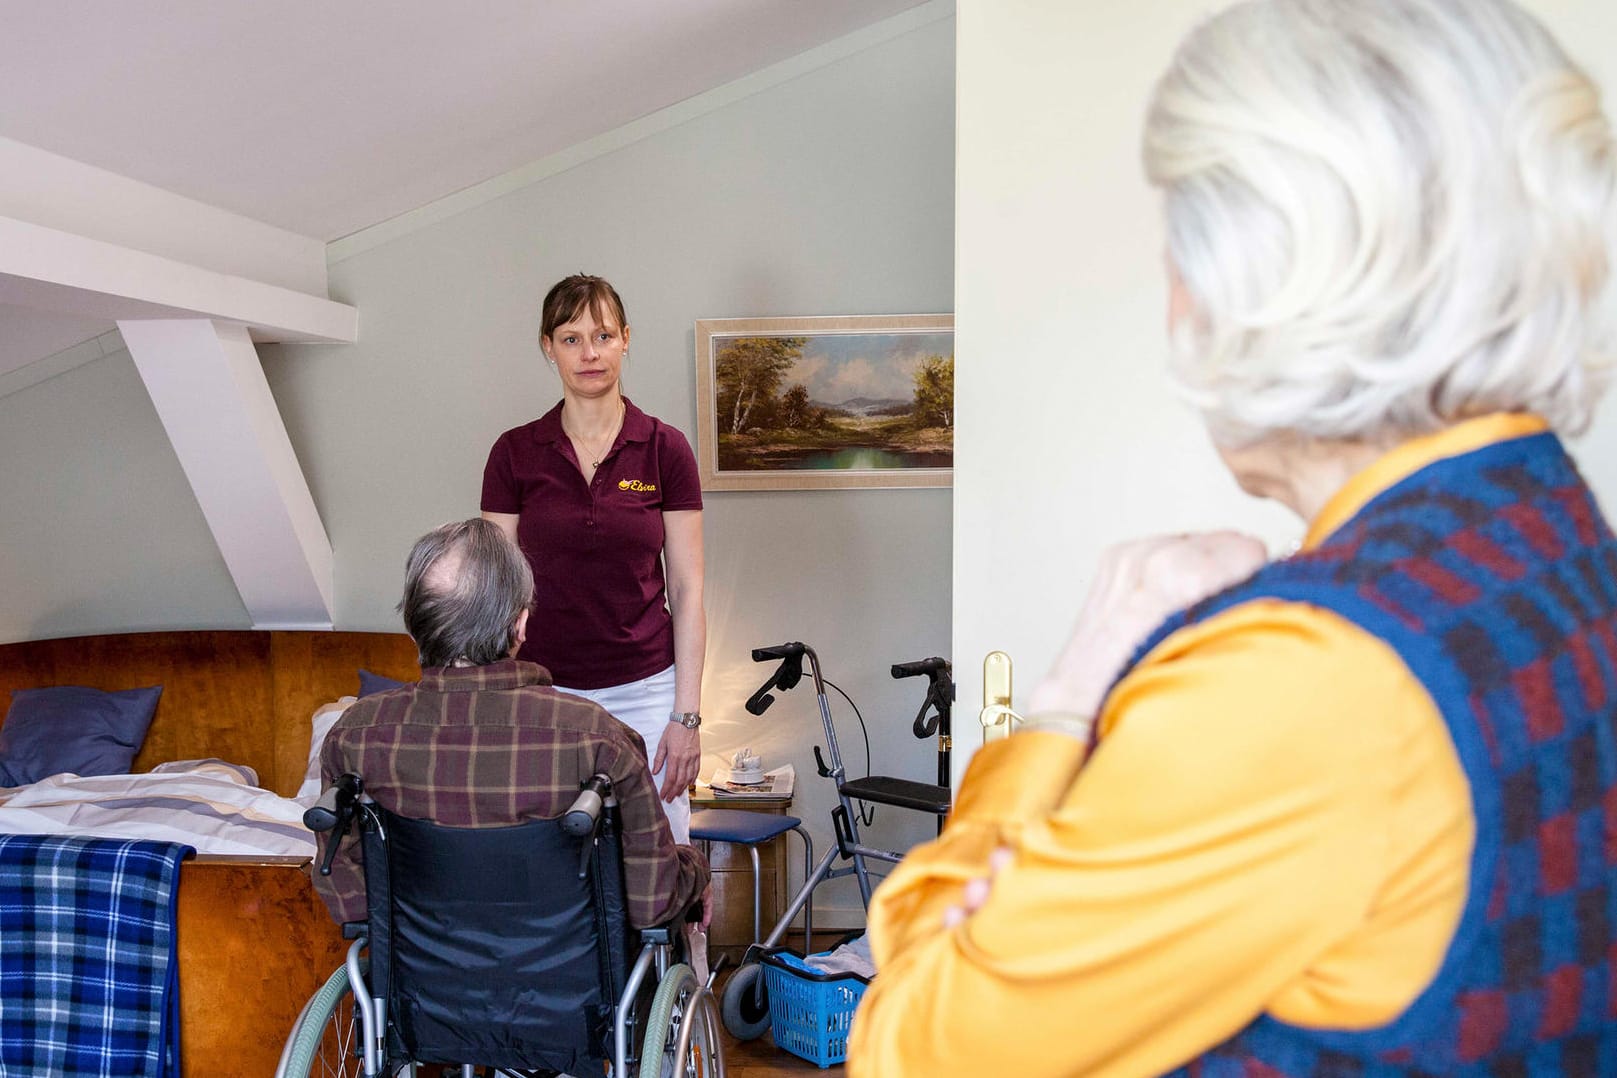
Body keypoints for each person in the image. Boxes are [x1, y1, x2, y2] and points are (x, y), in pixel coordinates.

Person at [849, 1, 1617, 1075]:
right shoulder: (1569, 544)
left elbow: (917, 1049)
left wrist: (1070, 687)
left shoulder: (1299, 677)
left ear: (1260, 288)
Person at [311, 518, 710, 933]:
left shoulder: (353, 738)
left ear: (413, 630)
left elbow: (351, 902)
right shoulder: (599, 741)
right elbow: (653, 902)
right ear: (520, 625)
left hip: (422, 990)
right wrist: (695, 870)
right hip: (572, 990)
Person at [482, 274, 705, 845]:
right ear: (548, 347)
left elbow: (687, 589)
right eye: (572, 338)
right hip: (541, 690)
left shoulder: (665, 448)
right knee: (552, 851)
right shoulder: (514, 453)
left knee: (661, 849)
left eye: (603, 335)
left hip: (648, 688)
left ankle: (684, 939)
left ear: (626, 339)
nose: (590, 353)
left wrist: (685, 718)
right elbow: (494, 593)